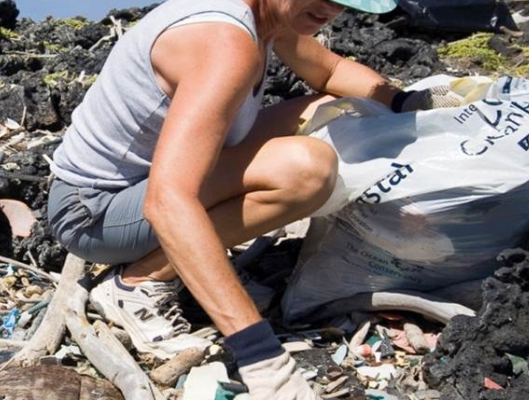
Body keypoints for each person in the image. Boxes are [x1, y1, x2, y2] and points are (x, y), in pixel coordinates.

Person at [46, 0, 457, 398]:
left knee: (340, 108)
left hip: (144, 187)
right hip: (94, 212)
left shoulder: (269, 19)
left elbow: (329, 69)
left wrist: (408, 103)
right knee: (305, 171)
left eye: (347, 4)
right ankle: (138, 282)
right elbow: (167, 200)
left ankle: (198, 262)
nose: (335, 10)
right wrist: (261, 356)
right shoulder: (224, 42)